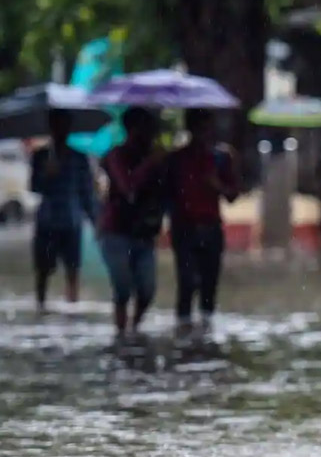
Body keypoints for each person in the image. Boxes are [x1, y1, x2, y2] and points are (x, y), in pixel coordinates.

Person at [167, 109, 240, 333]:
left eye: (207, 128)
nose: (205, 133)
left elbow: (232, 195)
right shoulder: (176, 159)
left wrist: (215, 184)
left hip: (211, 228)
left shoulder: (221, 157)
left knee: (209, 287)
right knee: (186, 284)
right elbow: (167, 193)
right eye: (200, 128)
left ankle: (205, 337)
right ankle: (184, 333)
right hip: (184, 229)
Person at [98, 108, 168, 337]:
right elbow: (128, 188)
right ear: (133, 130)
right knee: (123, 287)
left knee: (147, 290)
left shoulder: (156, 157)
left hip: (144, 233)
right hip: (116, 231)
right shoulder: (116, 155)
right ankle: (120, 333)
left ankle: (133, 329)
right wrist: (149, 164)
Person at [29, 109, 98, 313]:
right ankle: (40, 308)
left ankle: (72, 308)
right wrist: (45, 174)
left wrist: (96, 221)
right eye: (56, 125)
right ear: (50, 128)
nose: (60, 130)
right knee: (43, 270)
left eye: (64, 125)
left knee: (73, 269)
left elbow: (86, 192)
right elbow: (33, 186)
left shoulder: (79, 158)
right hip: (47, 220)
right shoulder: (40, 156)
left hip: (71, 220)